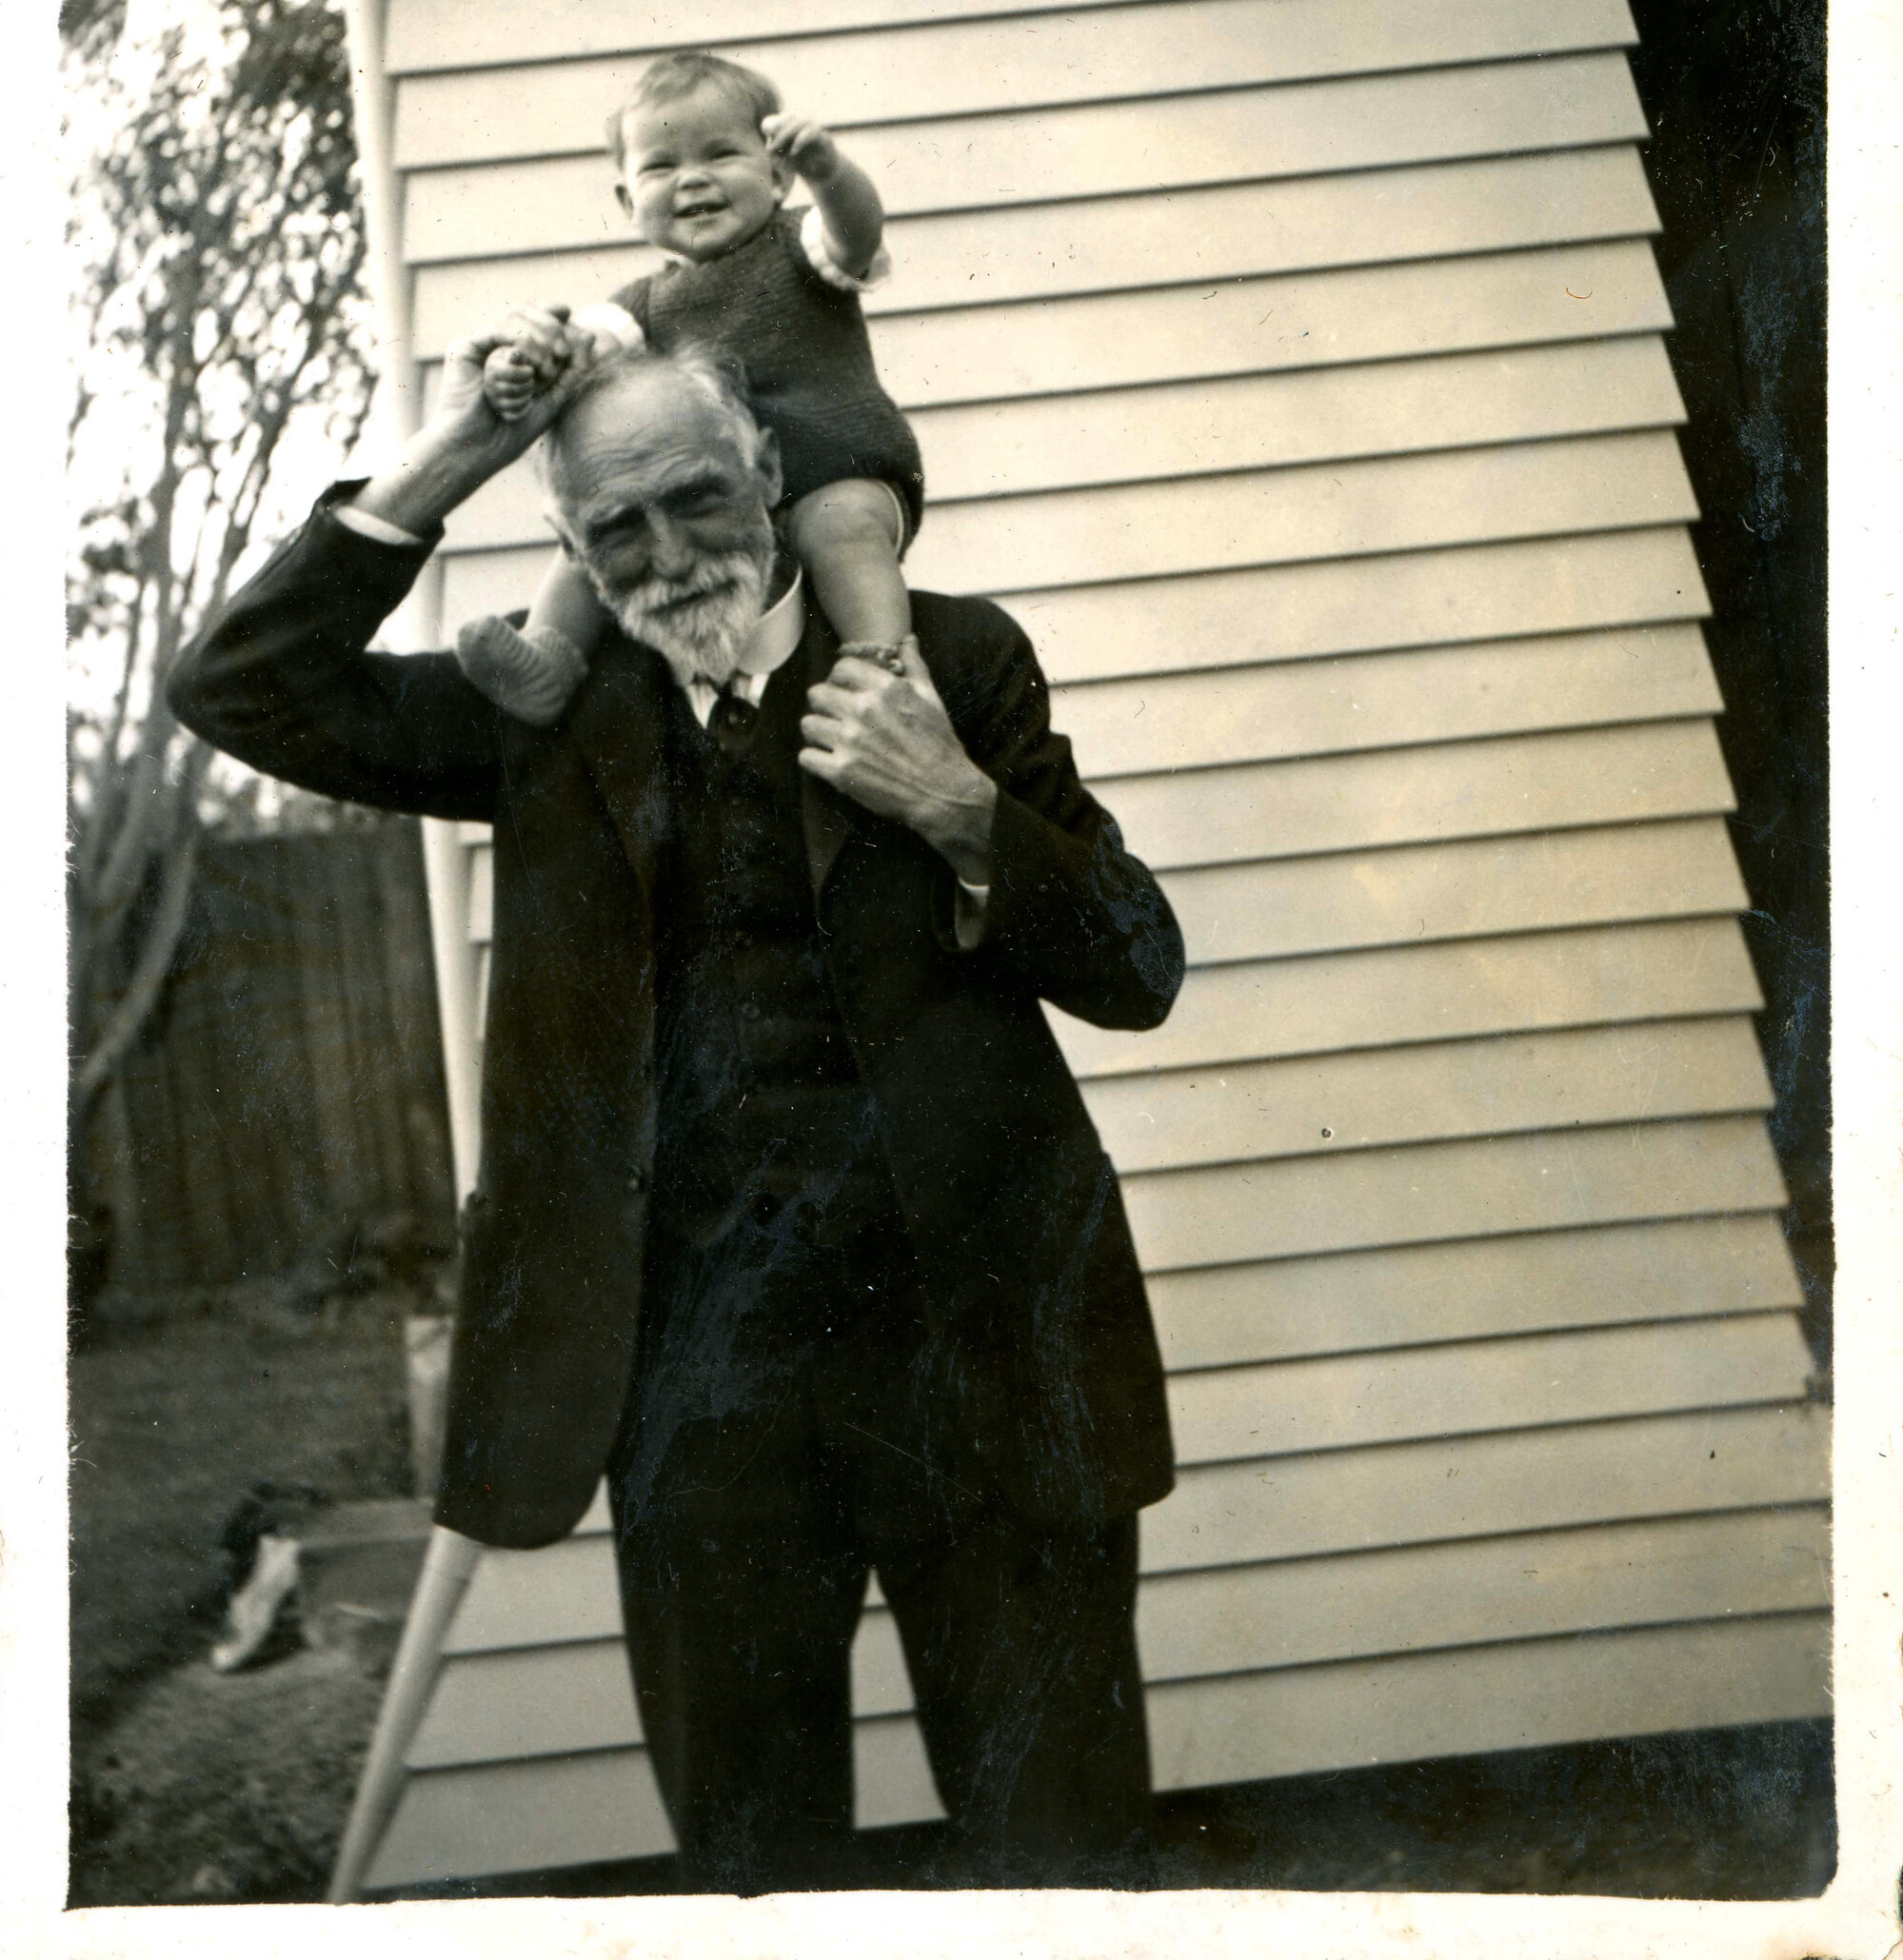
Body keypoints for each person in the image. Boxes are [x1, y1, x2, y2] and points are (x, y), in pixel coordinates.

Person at [167, 320, 1185, 1892]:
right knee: (751, 1867)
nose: (665, 551)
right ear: (569, 542)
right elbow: (239, 687)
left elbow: (1136, 965)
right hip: (699, 1399)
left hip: (984, 1357)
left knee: (1065, 1846)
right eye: (613, 524)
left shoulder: (949, 661)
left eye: (695, 496)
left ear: (767, 473)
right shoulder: (538, 708)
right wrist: (456, 451)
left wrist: (960, 806)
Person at [455, 49, 922, 724]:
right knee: (590, 541)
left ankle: (884, 670)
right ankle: (550, 654)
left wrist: (830, 173)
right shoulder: (640, 306)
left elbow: (855, 235)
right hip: (721, 500)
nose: (692, 179)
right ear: (627, 202)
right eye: (660, 166)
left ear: (777, 174)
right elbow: (573, 357)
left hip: (843, 470)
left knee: (840, 530)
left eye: (721, 154)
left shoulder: (799, 246)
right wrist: (517, 366)